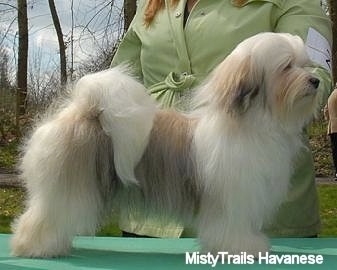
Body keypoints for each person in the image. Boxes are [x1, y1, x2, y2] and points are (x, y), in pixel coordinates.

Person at [111, 0, 332, 238]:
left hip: (264, 223)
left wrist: (261, 102)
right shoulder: (151, 4)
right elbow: (119, 79)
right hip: (154, 205)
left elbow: (316, 72)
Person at [325, 88, 337, 180]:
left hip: (332, 128)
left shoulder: (332, 95)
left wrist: (329, 120)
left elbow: (326, 110)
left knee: (335, 151)